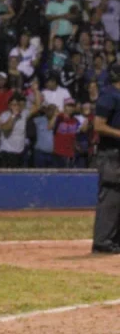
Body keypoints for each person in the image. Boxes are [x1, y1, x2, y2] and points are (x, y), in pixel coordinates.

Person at [91, 64, 120, 254]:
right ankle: (102, 241)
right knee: (111, 195)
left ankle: (114, 240)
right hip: (111, 153)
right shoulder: (109, 95)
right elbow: (98, 126)